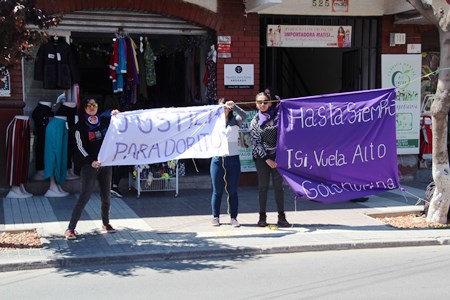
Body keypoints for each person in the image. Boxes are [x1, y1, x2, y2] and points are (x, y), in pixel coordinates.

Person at [65, 97, 119, 240]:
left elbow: (115, 122)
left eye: (94, 105)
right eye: (88, 105)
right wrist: (91, 161)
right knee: (84, 197)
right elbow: (79, 147)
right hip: (89, 166)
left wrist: (116, 115)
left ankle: (106, 223)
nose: (91, 107)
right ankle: (70, 228)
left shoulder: (104, 121)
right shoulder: (79, 126)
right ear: (84, 108)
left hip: (105, 165)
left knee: (106, 196)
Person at [250, 91, 290, 227]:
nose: (262, 104)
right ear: (256, 104)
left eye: (265, 102)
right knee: (263, 187)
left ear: (270, 103)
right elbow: (256, 143)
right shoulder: (254, 122)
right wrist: (267, 159)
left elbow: (286, 134)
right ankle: (262, 217)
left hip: (278, 157)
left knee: (279, 187)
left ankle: (282, 217)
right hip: (262, 158)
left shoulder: (279, 118)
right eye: (259, 102)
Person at [210, 98, 248, 227]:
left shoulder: (235, 121)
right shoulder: (213, 122)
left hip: (233, 159)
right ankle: (215, 217)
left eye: (226, 107)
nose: (224, 109)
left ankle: (233, 217)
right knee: (217, 190)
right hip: (217, 159)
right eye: (221, 107)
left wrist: (235, 106)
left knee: (232, 190)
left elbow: (245, 115)